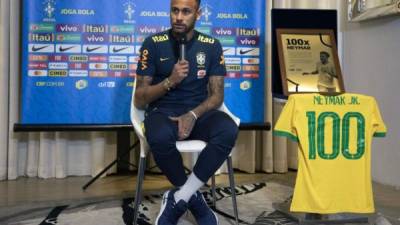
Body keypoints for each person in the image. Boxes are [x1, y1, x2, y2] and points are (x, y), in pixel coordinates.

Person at [134, 0, 238, 224]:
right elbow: (140, 99)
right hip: (163, 112)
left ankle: (180, 196)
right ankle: (196, 202)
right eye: (174, 10)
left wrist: (192, 115)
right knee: (158, 137)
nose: (179, 17)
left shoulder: (212, 45)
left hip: (198, 114)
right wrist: (170, 81)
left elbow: (217, 95)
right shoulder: (152, 43)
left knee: (228, 129)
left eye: (186, 11)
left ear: (198, 14)